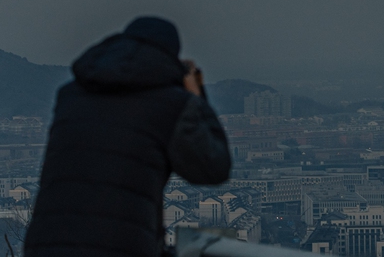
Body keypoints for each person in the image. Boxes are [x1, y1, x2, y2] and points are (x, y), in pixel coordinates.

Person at [25, 16, 231, 257]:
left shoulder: (70, 95)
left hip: (46, 244)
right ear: (170, 58)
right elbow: (213, 167)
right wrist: (196, 96)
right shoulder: (171, 105)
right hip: (119, 246)